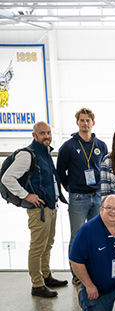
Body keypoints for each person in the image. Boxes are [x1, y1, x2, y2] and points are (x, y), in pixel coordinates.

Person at [1, 122, 68, 298]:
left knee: (48, 244)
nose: (46, 136)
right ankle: (37, 285)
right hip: (39, 210)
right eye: (42, 133)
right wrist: (26, 195)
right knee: (37, 247)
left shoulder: (45, 152)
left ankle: (46, 276)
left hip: (50, 207)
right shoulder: (27, 155)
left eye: (48, 133)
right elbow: (8, 178)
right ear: (34, 135)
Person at [56, 107, 108, 284]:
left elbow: (105, 169)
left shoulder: (101, 145)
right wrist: (70, 188)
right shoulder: (68, 146)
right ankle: (77, 275)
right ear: (77, 122)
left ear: (93, 122)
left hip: (97, 197)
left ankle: (93, 271)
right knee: (77, 236)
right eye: (82, 120)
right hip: (78, 198)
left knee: (97, 235)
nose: (85, 123)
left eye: (88, 120)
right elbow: (60, 171)